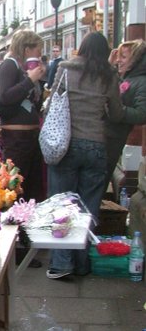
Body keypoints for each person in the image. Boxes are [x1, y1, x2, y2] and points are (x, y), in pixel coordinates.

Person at [46, 32, 124, 279]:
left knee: (62, 204)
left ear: (81, 48)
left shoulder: (65, 69)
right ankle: (82, 263)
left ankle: (61, 263)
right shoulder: (109, 76)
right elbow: (116, 113)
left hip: (66, 144)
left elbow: (51, 106)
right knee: (88, 207)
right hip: (96, 146)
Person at [0, 30, 46, 203]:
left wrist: (38, 80)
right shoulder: (9, 65)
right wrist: (29, 81)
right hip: (16, 138)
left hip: (31, 136)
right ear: (26, 50)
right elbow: (5, 96)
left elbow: (35, 105)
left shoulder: (27, 69)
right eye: (37, 50)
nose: (40, 54)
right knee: (16, 187)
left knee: (33, 188)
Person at [105, 39, 146, 194]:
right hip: (108, 137)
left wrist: (119, 112)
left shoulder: (141, 81)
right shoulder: (126, 77)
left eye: (123, 56)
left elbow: (142, 113)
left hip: (114, 139)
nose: (118, 60)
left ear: (135, 59)